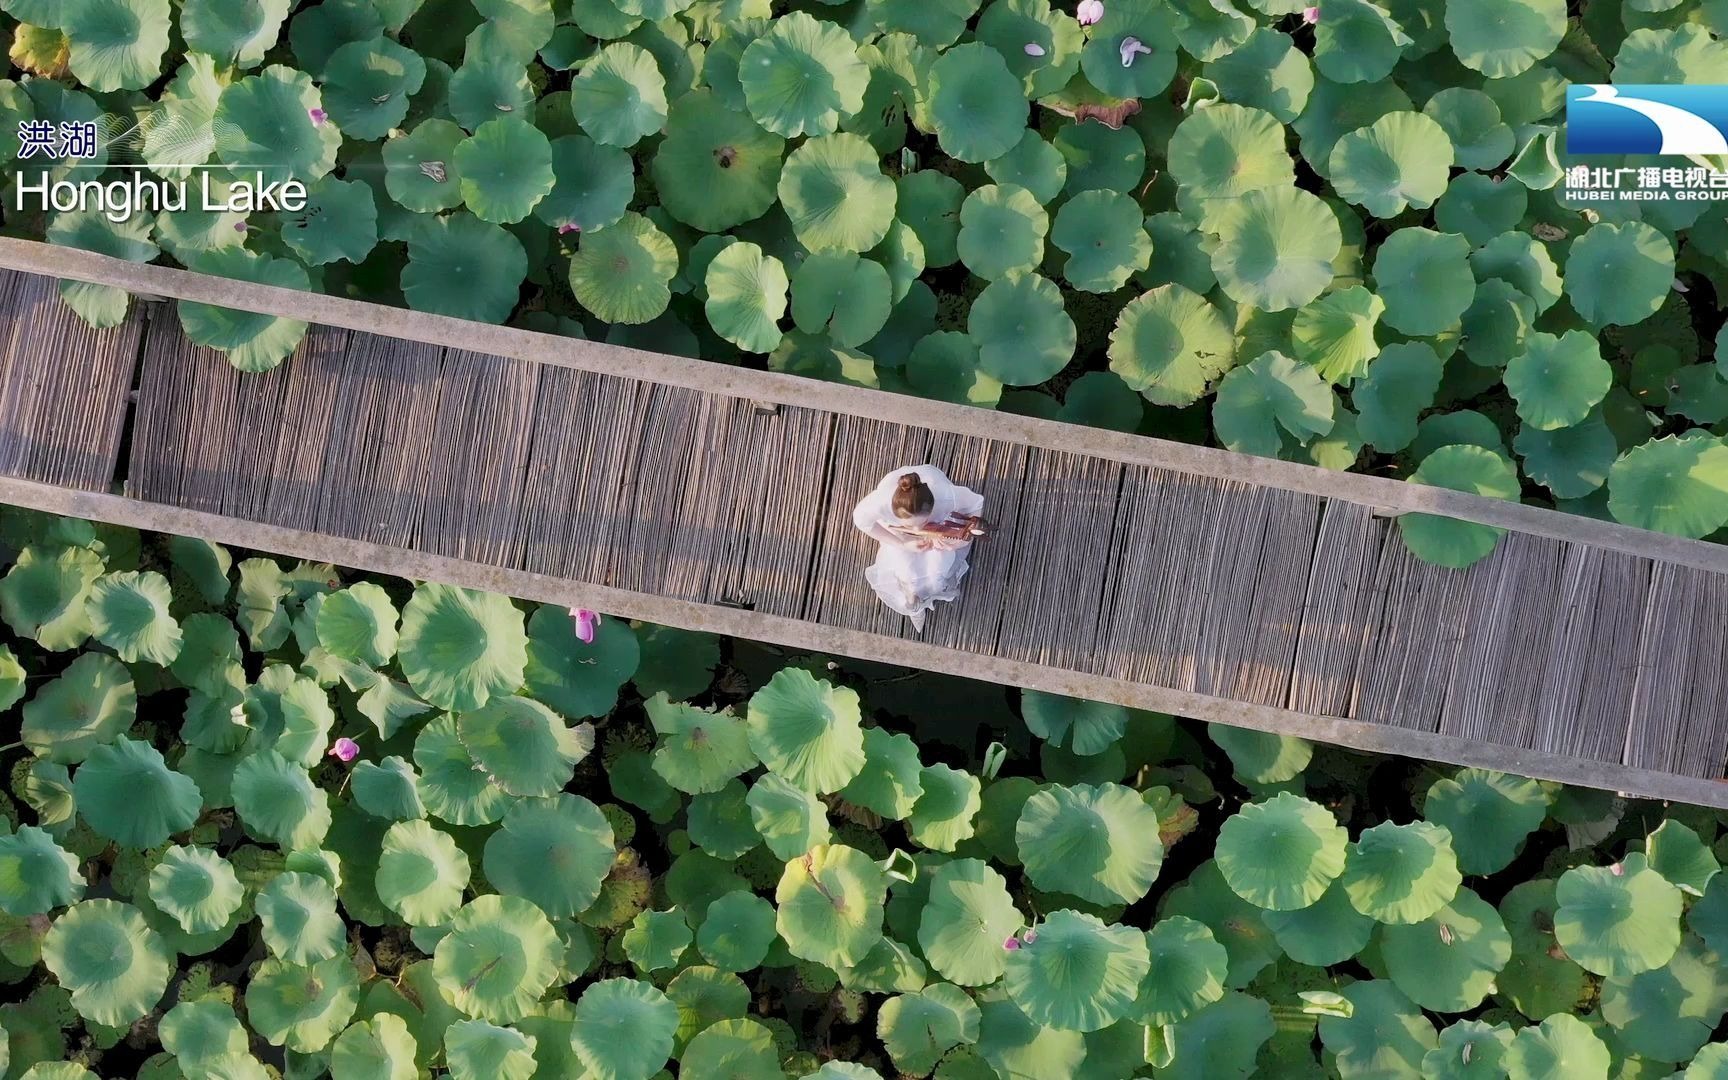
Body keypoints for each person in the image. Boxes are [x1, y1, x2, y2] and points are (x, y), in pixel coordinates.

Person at [851, 465, 986, 633]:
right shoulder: (879, 504)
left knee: (937, 568)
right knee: (906, 570)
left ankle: (931, 591)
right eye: (911, 524)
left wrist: (959, 542)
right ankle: (912, 598)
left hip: (936, 530)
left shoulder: (944, 495)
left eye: (921, 522)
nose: (916, 530)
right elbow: (862, 522)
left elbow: (976, 504)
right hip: (899, 533)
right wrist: (902, 544)